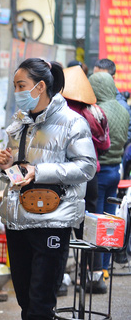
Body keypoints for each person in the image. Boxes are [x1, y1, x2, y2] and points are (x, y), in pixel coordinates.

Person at [0, 58, 96, 320]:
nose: (17, 92)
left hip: (52, 221)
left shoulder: (72, 122)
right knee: (26, 301)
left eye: (21, 85)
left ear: (40, 87)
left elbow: (87, 167)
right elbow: (19, 175)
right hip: (18, 221)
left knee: (40, 304)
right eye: (15, 86)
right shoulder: (19, 124)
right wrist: (8, 167)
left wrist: (40, 171)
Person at [57, 65, 110, 295]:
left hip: (67, 176)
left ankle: (59, 280)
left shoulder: (62, 112)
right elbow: (105, 145)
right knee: (87, 227)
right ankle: (93, 277)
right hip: (92, 176)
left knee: (61, 226)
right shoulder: (95, 112)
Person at [89, 71, 130, 290]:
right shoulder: (124, 109)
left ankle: (94, 271)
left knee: (94, 221)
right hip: (116, 170)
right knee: (109, 220)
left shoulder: (97, 111)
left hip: (99, 171)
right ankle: (104, 267)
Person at [93, 58, 131, 142]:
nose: (96, 81)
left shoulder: (121, 105)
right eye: (94, 77)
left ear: (113, 78)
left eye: (101, 78)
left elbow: (126, 137)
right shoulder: (90, 98)